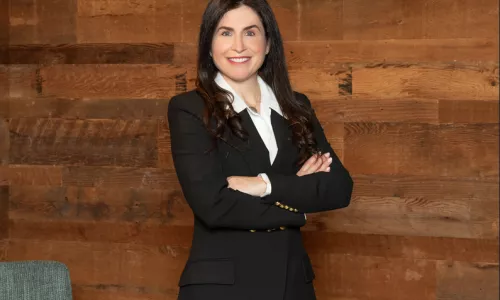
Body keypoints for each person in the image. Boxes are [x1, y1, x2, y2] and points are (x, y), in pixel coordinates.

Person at [167, 0, 353, 299]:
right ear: (209, 45)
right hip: (222, 289)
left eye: (250, 33)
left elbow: (339, 188)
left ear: (268, 44)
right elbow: (214, 206)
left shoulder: (298, 107)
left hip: (292, 285)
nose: (238, 46)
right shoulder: (189, 109)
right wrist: (300, 209)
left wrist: (264, 185)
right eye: (225, 33)